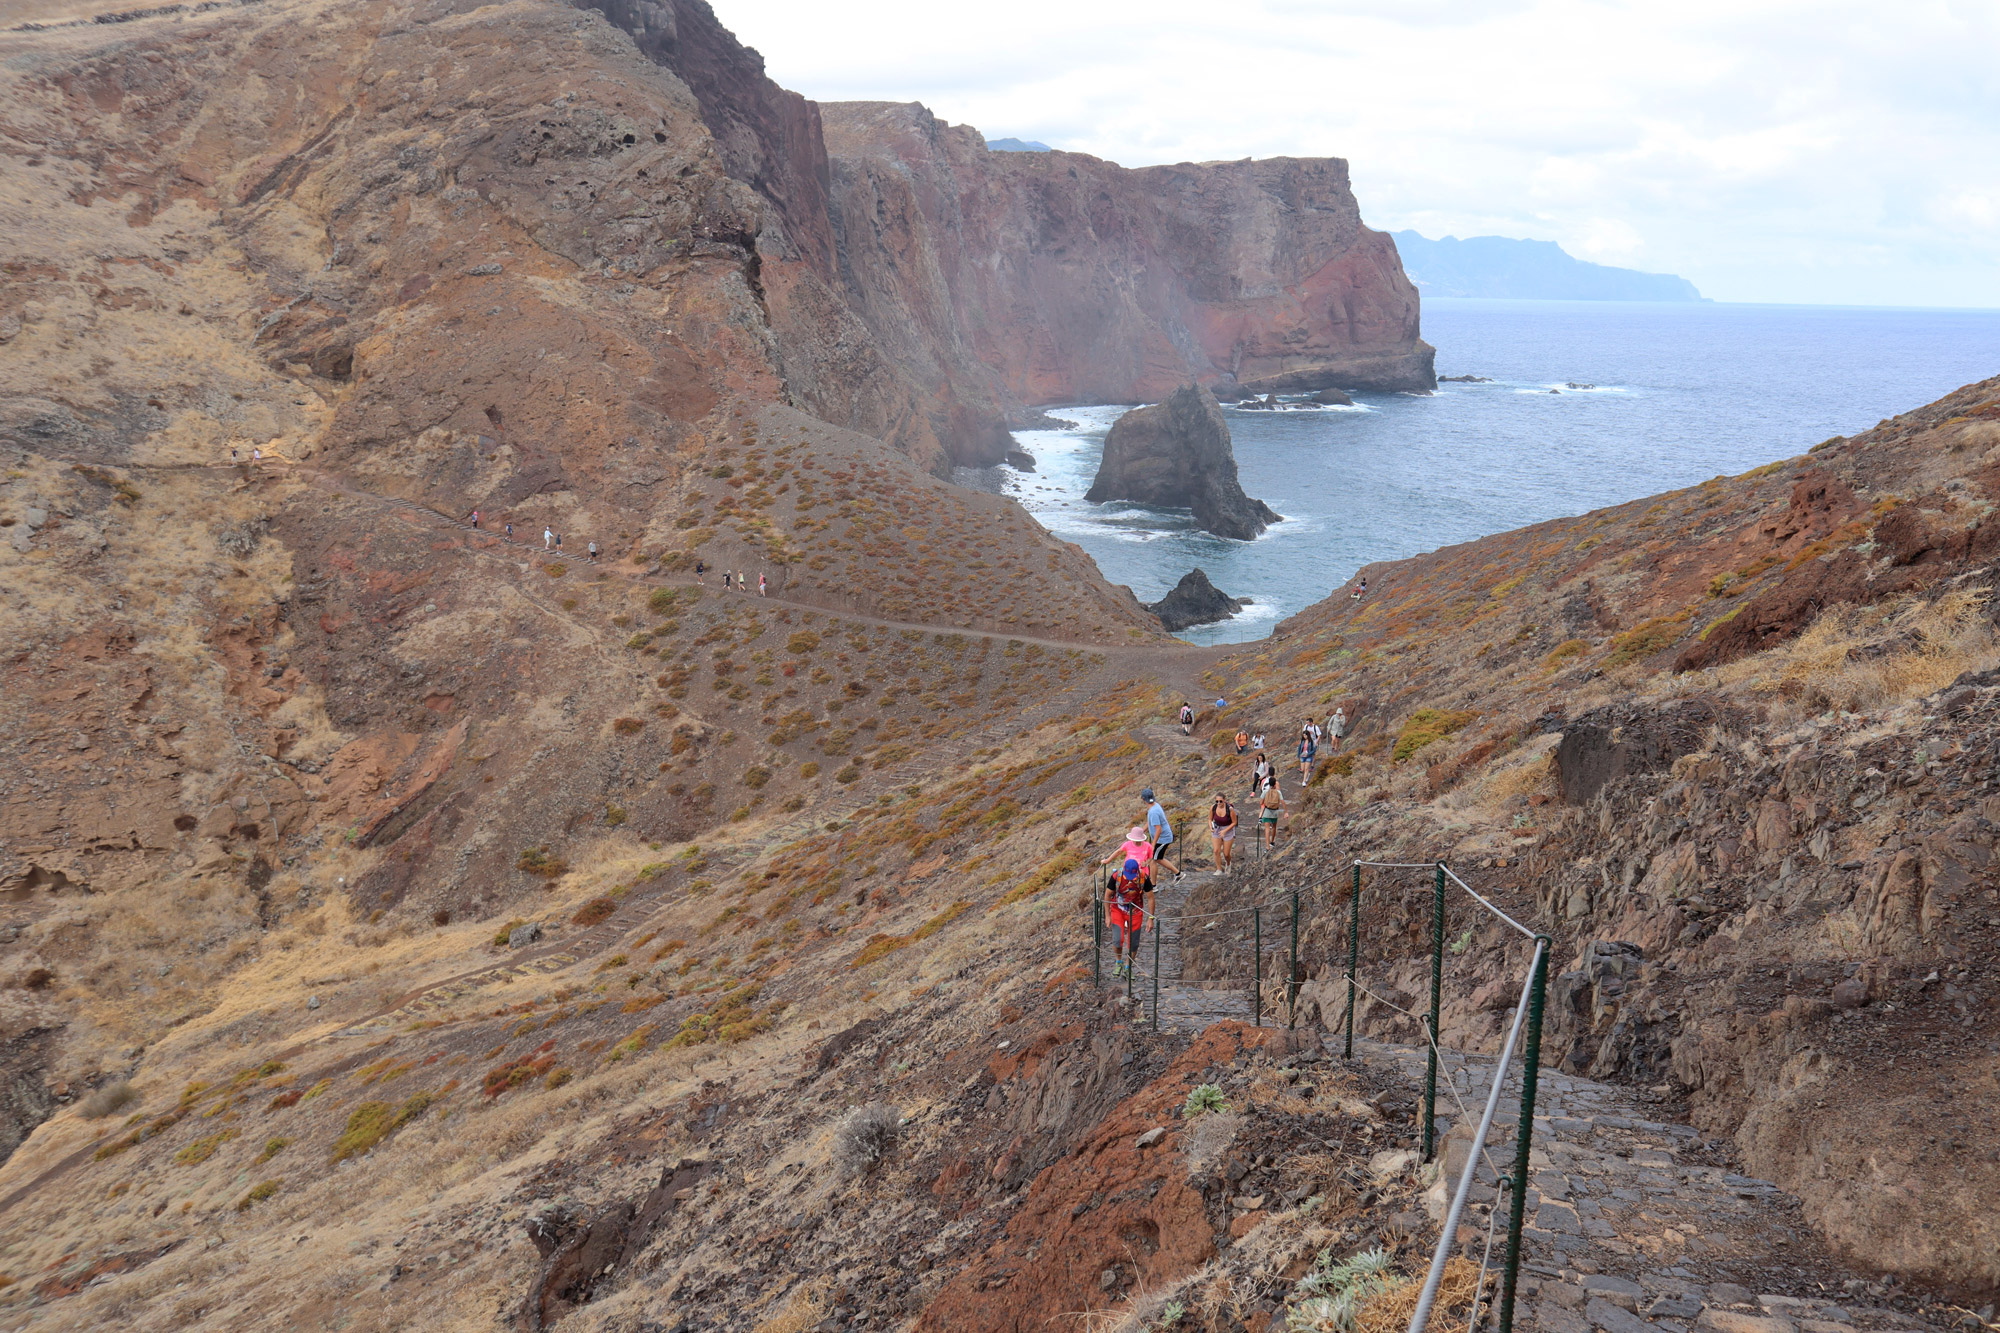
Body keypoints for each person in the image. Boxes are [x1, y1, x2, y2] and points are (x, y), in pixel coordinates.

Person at [1104, 857, 1151, 978]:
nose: (1131, 878)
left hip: (1136, 911)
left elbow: (1151, 897)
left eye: (1133, 875)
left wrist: (1151, 918)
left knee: (1134, 942)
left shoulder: (1143, 878)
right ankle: (1118, 962)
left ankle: (1128, 966)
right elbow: (1108, 895)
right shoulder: (1116, 876)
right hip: (1117, 909)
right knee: (1117, 939)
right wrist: (1107, 916)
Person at [1141, 788, 1179, 879]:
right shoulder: (1155, 806)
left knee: (1156, 859)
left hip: (1162, 839)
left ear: (1142, 799)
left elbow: (1158, 829)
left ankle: (1178, 874)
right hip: (1161, 838)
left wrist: (1153, 844)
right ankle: (1154, 885)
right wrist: (1141, 832)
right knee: (1154, 859)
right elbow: (1150, 822)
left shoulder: (1153, 811)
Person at [1209, 791, 1238, 875]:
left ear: (1224, 800)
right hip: (1217, 828)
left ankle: (1228, 864)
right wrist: (1210, 827)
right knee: (1216, 851)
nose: (1218, 803)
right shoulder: (1213, 807)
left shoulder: (1230, 809)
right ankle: (1218, 869)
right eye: (1217, 801)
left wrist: (1225, 831)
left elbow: (1234, 822)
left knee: (1226, 854)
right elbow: (1210, 819)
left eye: (1220, 801)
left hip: (1228, 829)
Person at [1258, 778, 1286, 847]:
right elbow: (1283, 802)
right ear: (1275, 784)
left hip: (1267, 812)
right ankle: (1272, 842)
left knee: (1267, 828)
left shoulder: (1265, 792)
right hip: (1275, 811)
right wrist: (1286, 811)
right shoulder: (1278, 792)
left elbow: (1261, 802)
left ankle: (1267, 846)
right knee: (1274, 827)